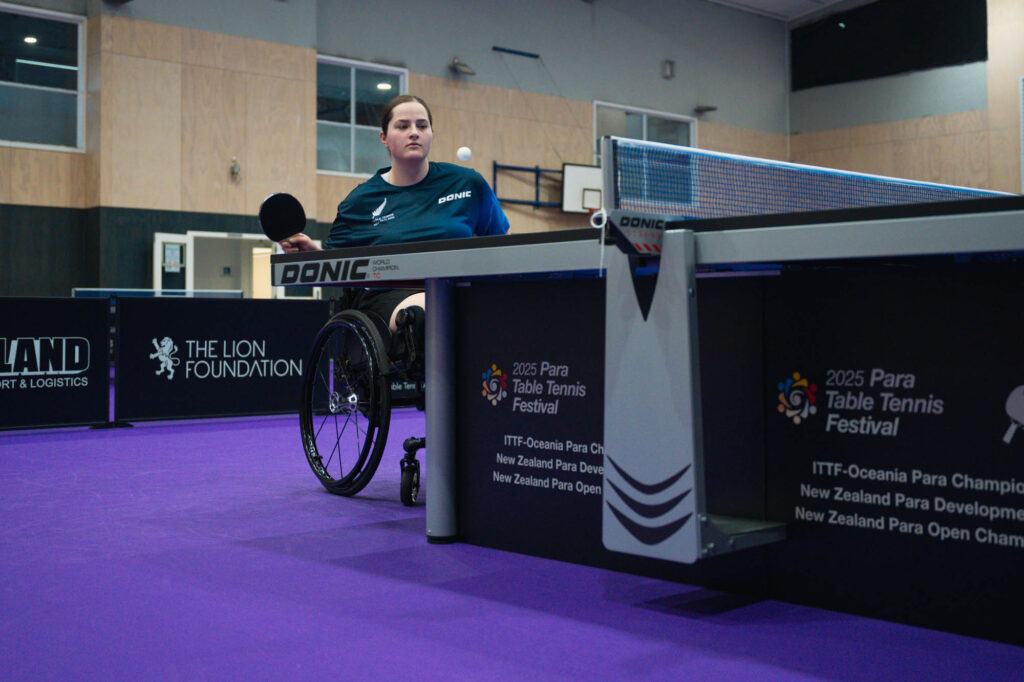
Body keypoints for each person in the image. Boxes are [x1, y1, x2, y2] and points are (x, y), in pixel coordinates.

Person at [280, 94, 510, 332]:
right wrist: (311, 253)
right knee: (429, 313)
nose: (414, 132)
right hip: (390, 296)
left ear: (431, 134)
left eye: (422, 126)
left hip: (458, 290)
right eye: (403, 126)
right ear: (384, 138)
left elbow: (499, 242)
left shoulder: (468, 184)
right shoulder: (360, 201)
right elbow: (335, 262)